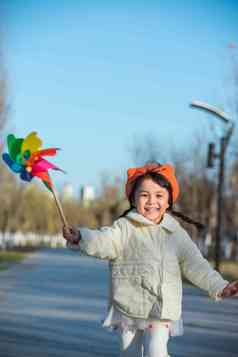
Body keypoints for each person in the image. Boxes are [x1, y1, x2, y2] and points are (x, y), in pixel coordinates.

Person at [63, 162, 238, 357]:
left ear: (169, 200)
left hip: (160, 308)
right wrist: (82, 237)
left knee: (156, 350)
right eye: (144, 195)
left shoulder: (175, 233)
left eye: (159, 195)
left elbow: (196, 264)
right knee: (128, 352)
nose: (151, 201)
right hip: (129, 306)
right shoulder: (124, 227)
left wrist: (220, 286)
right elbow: (104, 241)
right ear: (134, 199)